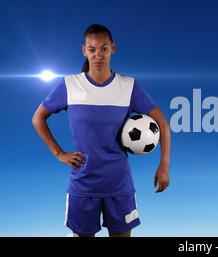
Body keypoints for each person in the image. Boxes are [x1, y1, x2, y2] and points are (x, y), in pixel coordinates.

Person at [31, 24, 171, 237]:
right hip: (83, 186)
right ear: (84, 50)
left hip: (119, 185)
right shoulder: (70, 85)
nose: (98, 55)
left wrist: (164, 164)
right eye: (92, 49)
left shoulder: (128, 86)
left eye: (104, 49)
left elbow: (163, 123)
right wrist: (59, 153)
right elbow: (38, 118)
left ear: (113, 48)